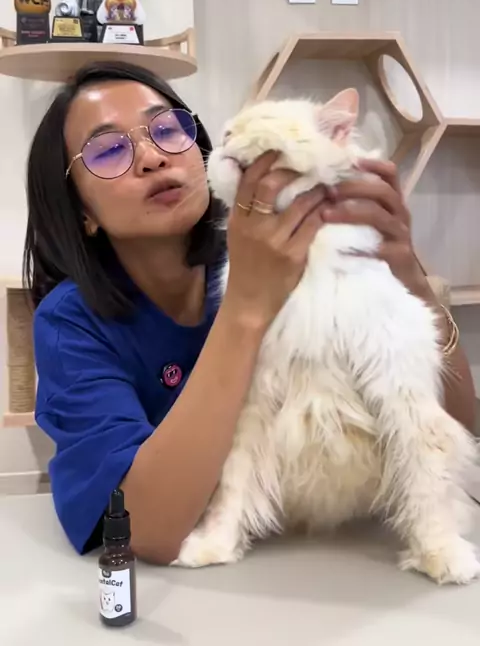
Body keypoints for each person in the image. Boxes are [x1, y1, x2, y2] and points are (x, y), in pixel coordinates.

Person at [25, 61, 475, 563]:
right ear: (81, 211)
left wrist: (410, 277)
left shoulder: (296, 243)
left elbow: (460, 423)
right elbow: (143, 530)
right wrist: (246, 307)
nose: (152, 157)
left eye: (167, 129)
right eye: (109, 151)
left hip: (344, 548)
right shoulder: (72, 324)